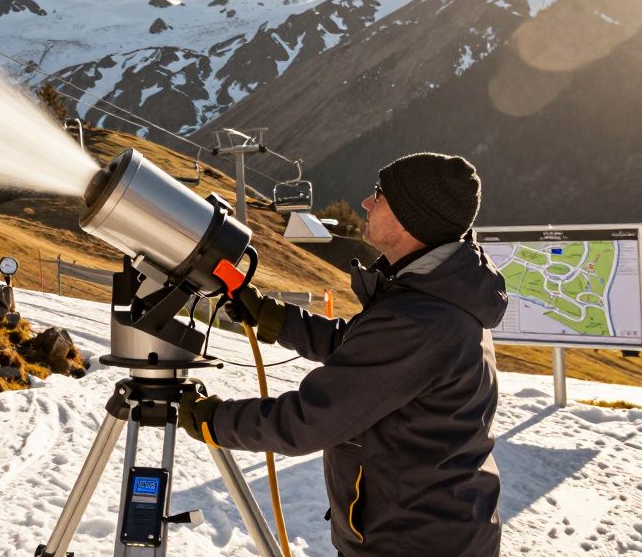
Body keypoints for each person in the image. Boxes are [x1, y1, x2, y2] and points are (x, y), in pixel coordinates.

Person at [179, 152, 506, 557]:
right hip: (428, 530)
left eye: (379, 196)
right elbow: (365, 351)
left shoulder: (420, 320)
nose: (367, 204)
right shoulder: (435, 295)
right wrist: (276, 318)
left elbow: (308, 421)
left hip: (410, 543)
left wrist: (211, 420)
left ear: (409, 217)